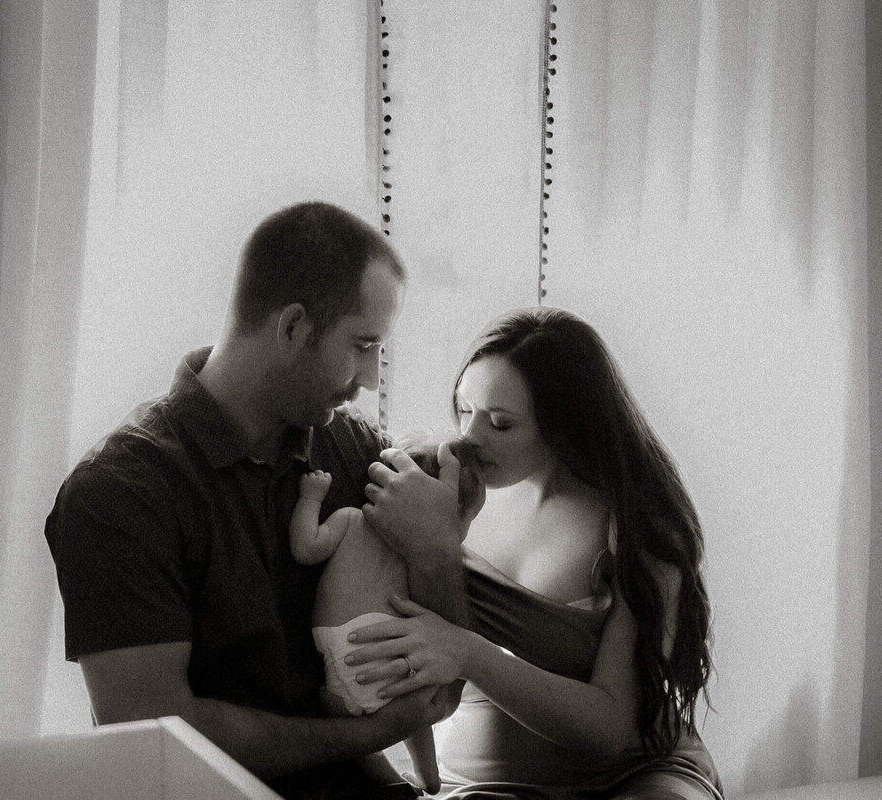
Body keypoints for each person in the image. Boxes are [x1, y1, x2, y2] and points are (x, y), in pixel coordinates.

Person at [43, 201, 469, 800]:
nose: (371, 379)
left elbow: (439, 695)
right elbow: (153, 735)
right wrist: (367, 735)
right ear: (293, 326)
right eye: (363, 344)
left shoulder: (356, 454)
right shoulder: (118, 493)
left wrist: (438, 555)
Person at [348, 307, 725, 799]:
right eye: (465, 410)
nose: (470, 437)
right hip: (477, 785)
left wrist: (467, 652)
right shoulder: (443, 491)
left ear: (564, 424)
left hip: (633, 779)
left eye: (501, 423)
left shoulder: (636, 527)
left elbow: (609, 730)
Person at [291, 437, 485, 795]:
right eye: (466, 519)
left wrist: (310, 499)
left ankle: (392, 779)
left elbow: (305, 548)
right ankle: (428, 777)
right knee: (416, 712)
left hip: (340, 656)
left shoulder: (350, 519)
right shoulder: (415, 557)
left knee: (347, 727)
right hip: (388, 653)